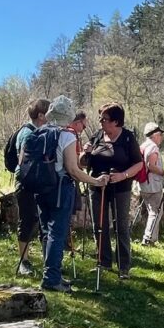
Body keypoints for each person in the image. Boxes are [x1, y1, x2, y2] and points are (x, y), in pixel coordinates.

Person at [35, 96, 108, 293]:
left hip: (40, 188)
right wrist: (96, 181)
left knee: (46, 232)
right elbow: (73, 170)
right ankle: (51, 278)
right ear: (68, 115)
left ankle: (51, 274)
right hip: (60, 188)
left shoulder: (39, 132)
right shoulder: (66, 136)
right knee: (57, 234)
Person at [80, 103, 143, 280]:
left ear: (116, 121)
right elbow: (82, 163)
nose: (100, 121)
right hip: (97, 186)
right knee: (99, 226)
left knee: (120, 226)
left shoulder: (128, 138)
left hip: (121, 188)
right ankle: (104, 262)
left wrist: (123, 175)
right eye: (100, 118)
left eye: (104, 119)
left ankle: (124, 266)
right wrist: (85, 153)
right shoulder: (97, 136)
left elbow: (139, 163)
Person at [12, 98, 50, 277]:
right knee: (27, 221)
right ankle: (23, 261)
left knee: (42, 223)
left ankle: (47, 261)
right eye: (49, 112)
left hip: (38, 182)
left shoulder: (38, 131)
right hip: (26, 182)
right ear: (41, 115)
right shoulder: (28, 133)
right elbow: (22, 161)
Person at [137, 121, 164, 246]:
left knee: (152, 211)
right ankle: (148, 239)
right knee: (155, 212)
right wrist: (163, 172)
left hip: (143, 184)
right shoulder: (153, 147)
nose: (161, 137)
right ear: (154, 135)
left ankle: (152, 238)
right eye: (160, 134)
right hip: (153, 185)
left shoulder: (143, 146)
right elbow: (151, 166)